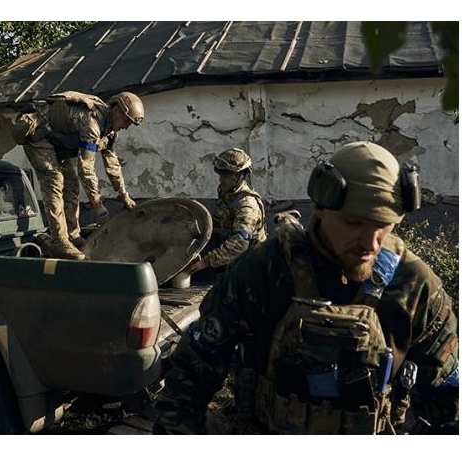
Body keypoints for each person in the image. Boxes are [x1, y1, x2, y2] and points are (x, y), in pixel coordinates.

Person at [154, 141, 458, 435]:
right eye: (354, 223)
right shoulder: (263, 270)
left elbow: (451, 405)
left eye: (383, 224)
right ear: (321, 207)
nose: (370, 242)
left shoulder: (415, 285)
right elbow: (189, 380)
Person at [13, 91, 144, 259]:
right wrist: (97, 205)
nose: (126, 126)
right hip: (38, 134)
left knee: (72, 185)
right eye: (126, 121)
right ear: (116, 110)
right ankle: (59, 241)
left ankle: (73, 235)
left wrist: (124, 194)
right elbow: (86, 168)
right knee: (54, 179)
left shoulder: (109, 130)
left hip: (57, 143)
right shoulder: (92, 124)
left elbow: (112, 164)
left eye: (130, 124)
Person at [185, 148, 266, 275]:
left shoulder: (247, 206)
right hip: (228, 257)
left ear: (239, 176)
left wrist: (206, 262)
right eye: (221, 175)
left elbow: (239, 244)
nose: (221, 180)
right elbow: (215, 220)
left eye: (226, 176)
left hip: (248, 266)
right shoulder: (229, 195)